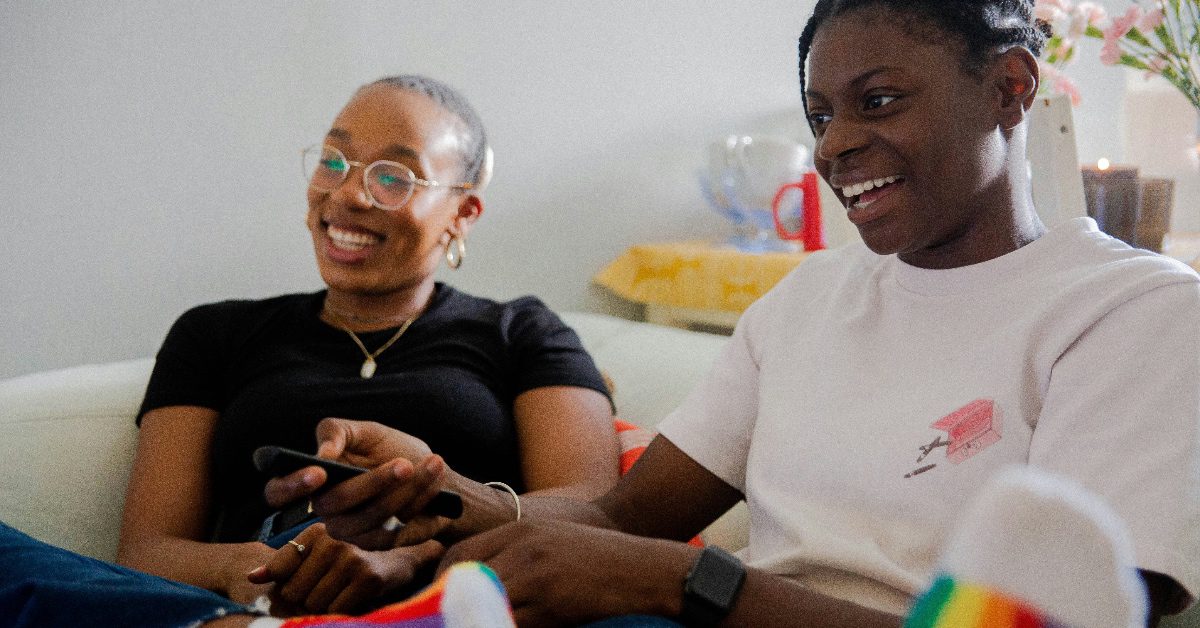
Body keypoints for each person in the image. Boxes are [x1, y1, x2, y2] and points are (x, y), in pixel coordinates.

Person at [264, 1, 1200, 626]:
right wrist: (439, 502)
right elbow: (629, 511)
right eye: (821, 115)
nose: (837, 146)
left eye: (878, 102)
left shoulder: (1133, 312)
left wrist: (690, 581)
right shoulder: (808, 303)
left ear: (1011, 88)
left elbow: (1095, 617)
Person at [114, 74, 619, 616]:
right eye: (334, 161)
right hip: (253, 610)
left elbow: (595, 513)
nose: (348, 194)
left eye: (394, 177)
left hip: (456, 607)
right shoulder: (214, 333)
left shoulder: (523, 332)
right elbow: (145, 551)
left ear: (462, 214)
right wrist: (255, 569)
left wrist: (422, 549)